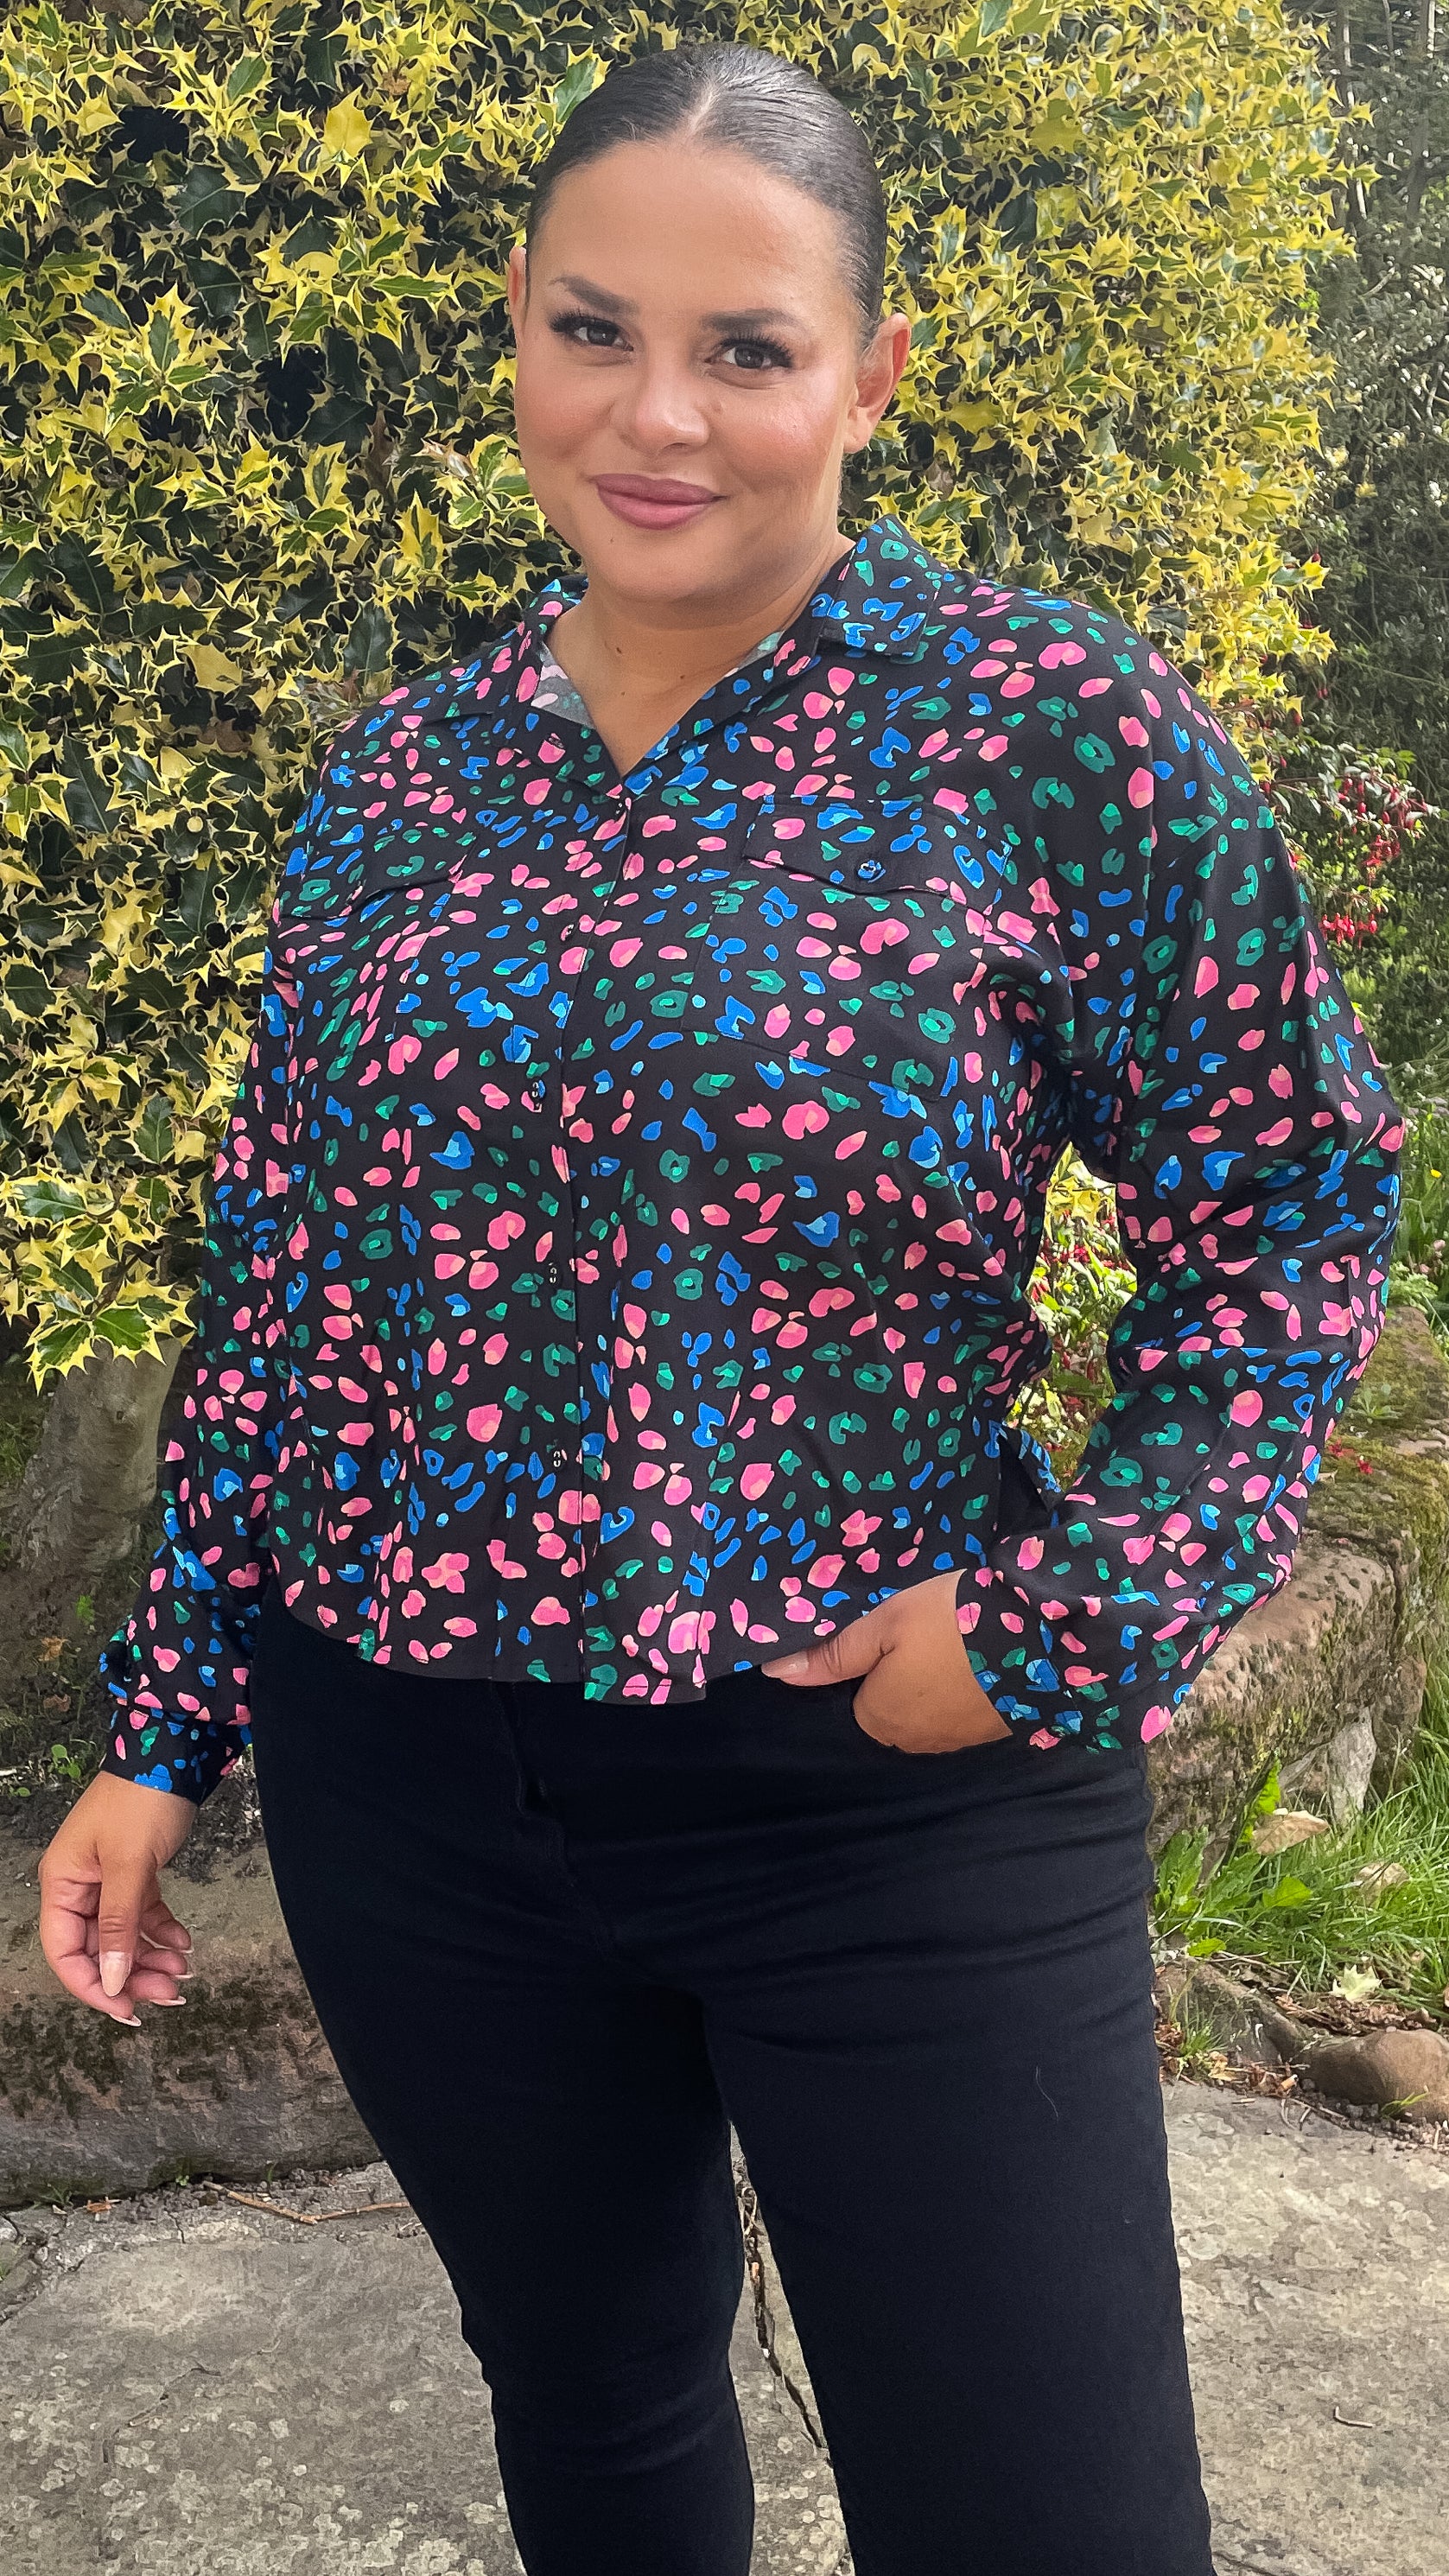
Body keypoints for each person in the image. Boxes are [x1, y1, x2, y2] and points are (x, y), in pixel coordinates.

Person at [38, 40, 1400, 2576]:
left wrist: (1068, 1617)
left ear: (870, 375)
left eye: (747, 349)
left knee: (1052, 2520)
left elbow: (1288, 1208)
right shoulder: (405, 776)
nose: (655, 417)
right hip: (408, 1781)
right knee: (598, 2421)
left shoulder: (1047, 731)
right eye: (593, 330)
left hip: (880, 1784)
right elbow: (293, 1282)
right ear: (516, 333)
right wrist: (169, 1729)